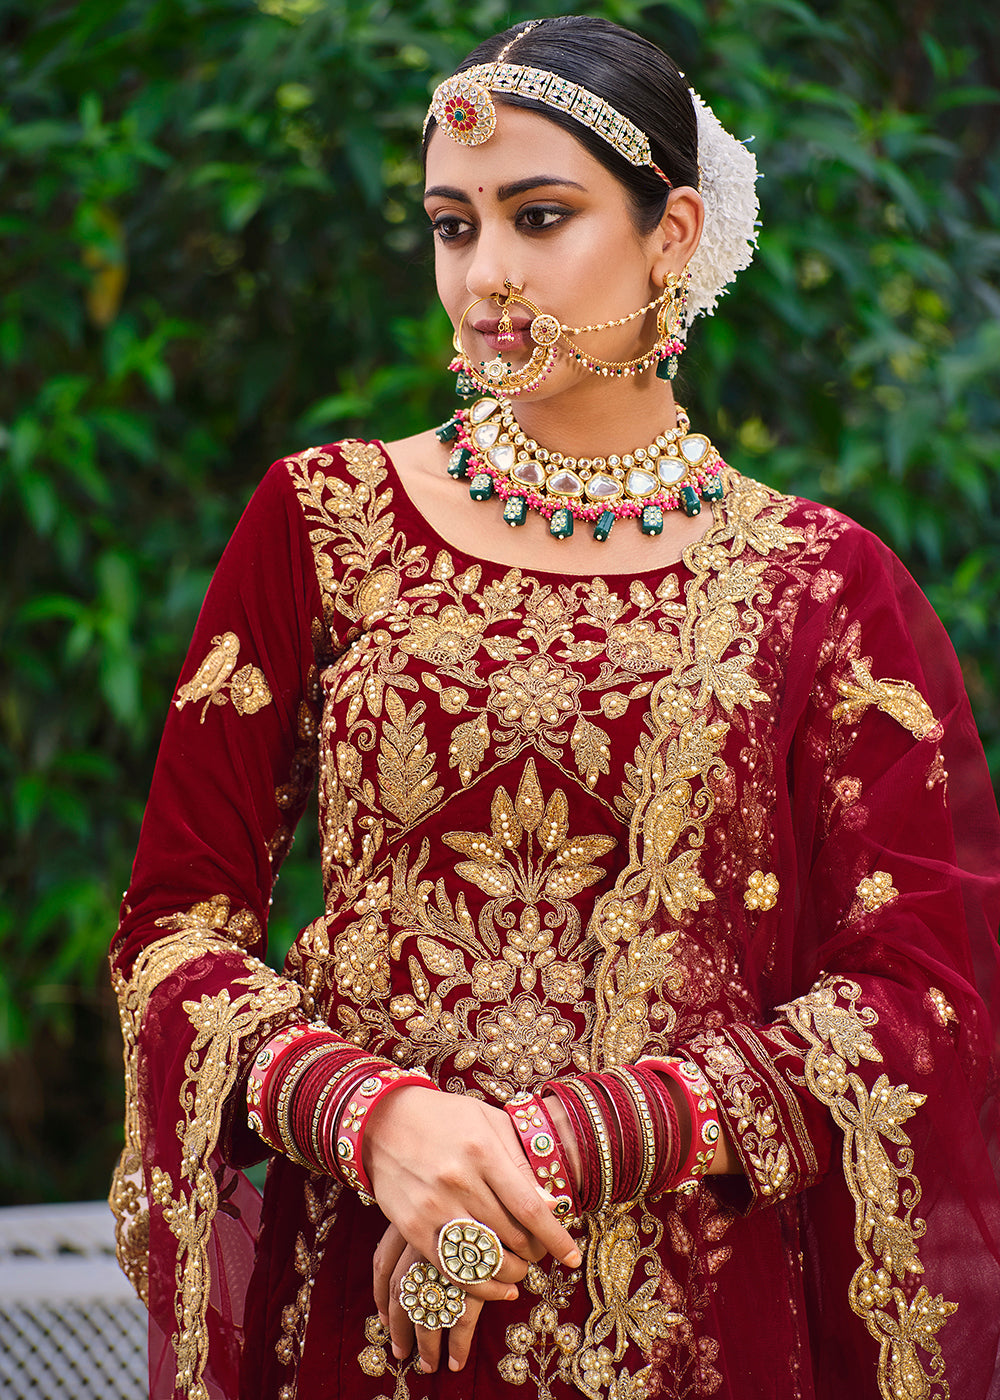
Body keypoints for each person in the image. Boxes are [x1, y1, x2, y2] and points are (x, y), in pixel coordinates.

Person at [108, 15, 1000, 1400]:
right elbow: (172, 934)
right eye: (453, 227)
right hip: (373, 1298)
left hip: (696, 1318)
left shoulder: (822, 590)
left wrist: (567, 1144)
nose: (487, 278)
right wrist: (381, 1122)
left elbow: (919, 1001)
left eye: (539, 217)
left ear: (670, 232)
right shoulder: (320, 525)